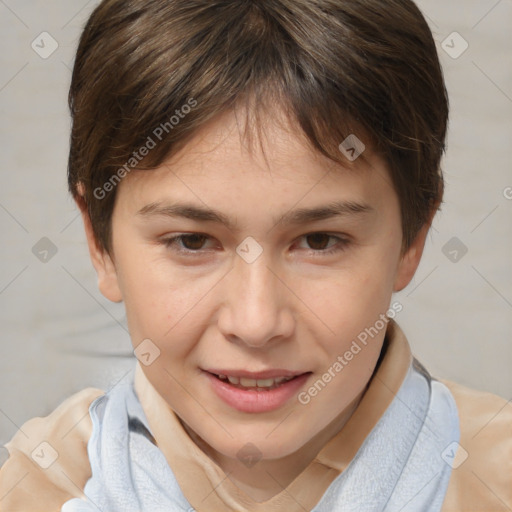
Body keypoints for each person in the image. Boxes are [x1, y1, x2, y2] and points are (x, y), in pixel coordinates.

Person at [0, 0, 510, 510]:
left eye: (319, 241)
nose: (257, 322)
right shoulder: (39, 487)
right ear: (100, 243)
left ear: (414, 234)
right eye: (192, 242)